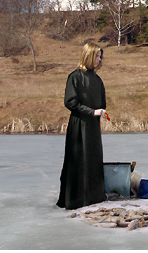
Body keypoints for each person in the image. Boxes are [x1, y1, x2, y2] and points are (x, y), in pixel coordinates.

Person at [56, 42, 107, 209]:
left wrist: (100, 112)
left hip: (93, 126)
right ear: (89, 56)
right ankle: (76, 199)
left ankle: (94, 198)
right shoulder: (75, 77)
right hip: (79, 126)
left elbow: (102, 102)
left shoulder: (97, 80)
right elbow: (70, 102)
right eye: (97, 56)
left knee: (93, 159)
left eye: (101, 57)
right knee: (78, 160)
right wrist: (91, 112)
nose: (99, 60)